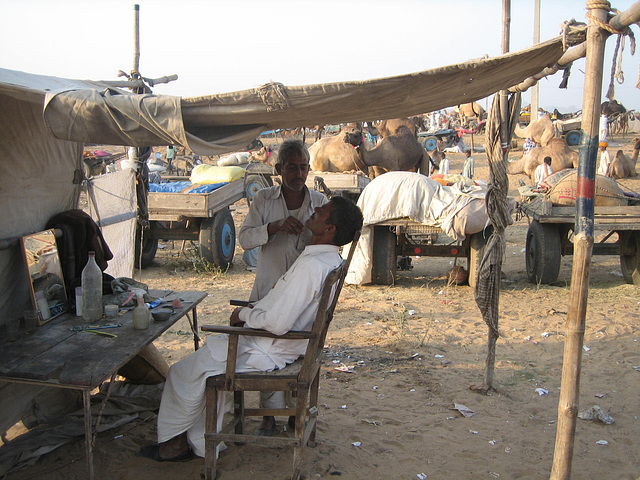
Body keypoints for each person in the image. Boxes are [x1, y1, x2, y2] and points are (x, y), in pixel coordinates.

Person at [138, 196, 363, 462]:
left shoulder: (314, 266)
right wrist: (253, 312)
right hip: (276, 343)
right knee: (199, 368)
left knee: (180, 372)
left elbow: (278, 324)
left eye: (322, 211)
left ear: (329, 230)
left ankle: (175, 445)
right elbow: (282, 308)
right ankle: (192, 439)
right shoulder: (324, 261)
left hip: (268, 347)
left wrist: (244, 315)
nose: (315, 209)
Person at [237, 139, 327, 434]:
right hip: (268, 290)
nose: (298, 173)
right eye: (291, 167)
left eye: (303, 168)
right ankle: (268, 417)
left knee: (298, 353)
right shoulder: (263, 199)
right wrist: (273, 228)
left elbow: (330, 242)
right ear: (278, 169)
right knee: (266, 353)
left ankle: (294, 413)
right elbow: (245, 240)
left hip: (303, 295)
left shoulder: (319, 203)